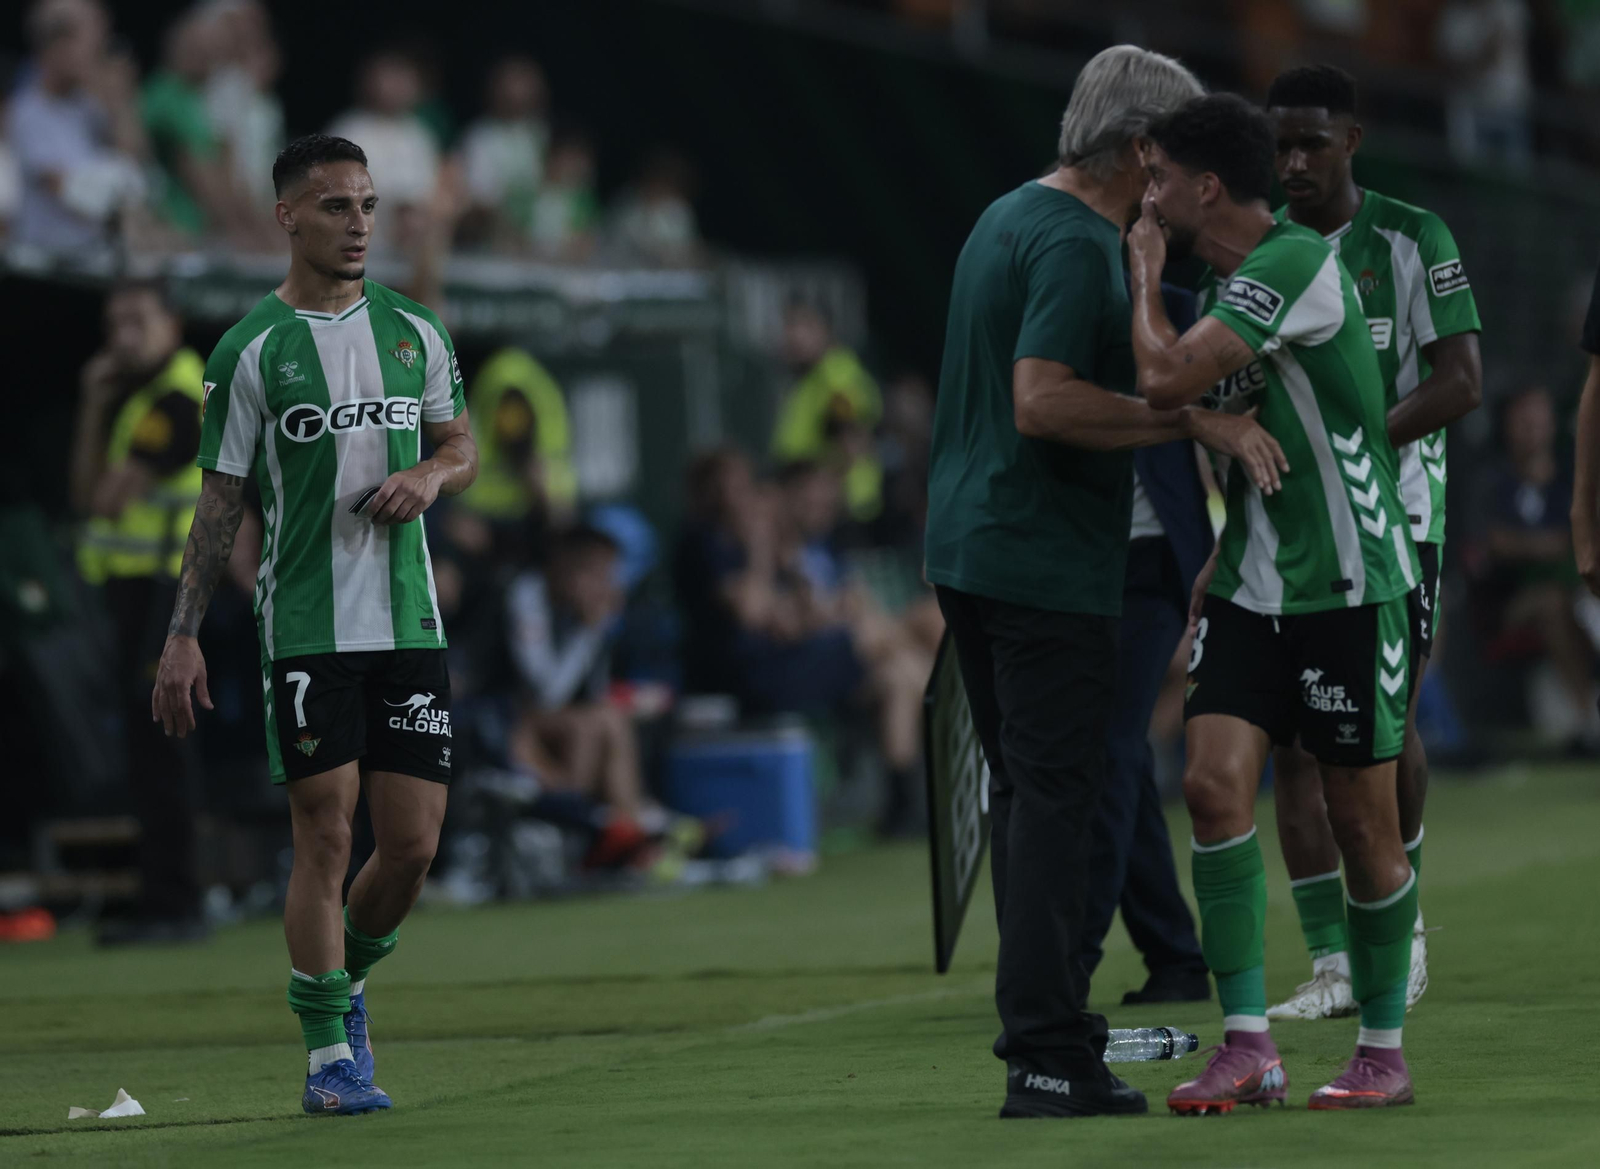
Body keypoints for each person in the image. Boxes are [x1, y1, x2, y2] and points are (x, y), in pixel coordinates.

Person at [924, 47, 1288, 1120]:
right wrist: (1187, 417)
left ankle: (1050, 1033)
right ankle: (1045, 1050)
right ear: (1140, 149)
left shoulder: (1004, 214)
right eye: (1171, 153)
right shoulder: (1080, 244)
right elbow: (1042, 400)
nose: (1178, 181)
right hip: (1044, 561)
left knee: (1030, 799)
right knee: (1058, 809)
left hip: (971, 547)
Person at [150, 133, 478, 1116]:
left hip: (409, 619)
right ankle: (328, 1053)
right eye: (338, 206)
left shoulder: (414, 331)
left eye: (370, 205)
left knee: (413, 846)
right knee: (325, 832)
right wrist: (182, 631)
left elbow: (459, 442)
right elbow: (219, 504)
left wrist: (429, 472)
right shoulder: (248, 350)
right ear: (287, 216)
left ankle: (350, 977)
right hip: (305, 624)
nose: (360, 224)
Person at [1131, 92, 1425, 1112]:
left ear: (1205, 185)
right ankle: (1247, 1044)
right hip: (1255, 581)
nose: (1147, 193)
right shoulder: (1228, 281)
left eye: (1158, 175)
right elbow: (1212, 411)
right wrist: (1216, 440)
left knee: (1359, 821)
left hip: (1350, 581)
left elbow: (1165, 376)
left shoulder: (1293, 264)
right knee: (1212, 787)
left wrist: (1136, 276)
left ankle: (1382, 1050)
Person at [1261, 65, 1483, 1022]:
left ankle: (1403, 929)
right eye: (1280, 145)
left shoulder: (1412, 237)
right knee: (1293, 743)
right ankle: (1332, 964)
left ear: (1352, 139)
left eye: (1312, 141)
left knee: (1383, 731)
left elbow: (1463, 380)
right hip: (1291, 521)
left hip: (1397, 513)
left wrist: (1349, 437)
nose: (1294, 162)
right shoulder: (1260, 245)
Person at [1079, 280, 1212, 1005]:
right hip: (1076, 559)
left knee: (1114, 748)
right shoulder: (1060, 297)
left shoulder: (1182, 309)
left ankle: (1078, 954)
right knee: (1115, 753)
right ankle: (1173, 955)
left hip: (1155, 555)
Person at [71, 280, 211, 945]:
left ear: (173, 324)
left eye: (138, 320)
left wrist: (95, 403)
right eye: (113, 322)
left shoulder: (176, 400)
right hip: (141, 592)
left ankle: (176, 901)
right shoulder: (146, 397)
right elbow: (86, 493)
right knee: (147, 743)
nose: (122, 335)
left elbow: (100, 500)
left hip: (165, 591)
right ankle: (163, 895)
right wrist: (98, 399)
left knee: (163, 747)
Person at [1489, 385, 1598, 742]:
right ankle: (1588, 721)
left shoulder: (1572, 477)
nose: (1532, 425)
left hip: (1579, 592)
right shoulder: (1493, 482)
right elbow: (1495, 543)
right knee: (1552, 602)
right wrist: (1553, 544)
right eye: (1523, 417)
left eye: (1539, 414)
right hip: (1508, 602)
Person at [7, 0, 147, 252]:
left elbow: (136, 162)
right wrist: (122, 185)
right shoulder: (28, 113)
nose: (99, 57)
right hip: (47, 270)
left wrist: (120, 103)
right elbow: (83, 198)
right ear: (57, 47)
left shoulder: (88, 108)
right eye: (92, 45)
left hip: (92, 257)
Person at [771, 300, 883, 524]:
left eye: (803, 326)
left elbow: (852, 441)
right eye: (789, 326)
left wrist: (824, 494)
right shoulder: (811, 377)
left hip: (838, 510)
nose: (793, 336)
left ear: (825, 330)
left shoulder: (836, 377)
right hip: (816, 505)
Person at [458, 55, 549, 250]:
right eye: (512, 83)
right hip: (490, 242)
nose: (518, 92)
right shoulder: (480, 137)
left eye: (525, 83)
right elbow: (479, 199)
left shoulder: (541, 135)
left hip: (540, 243)